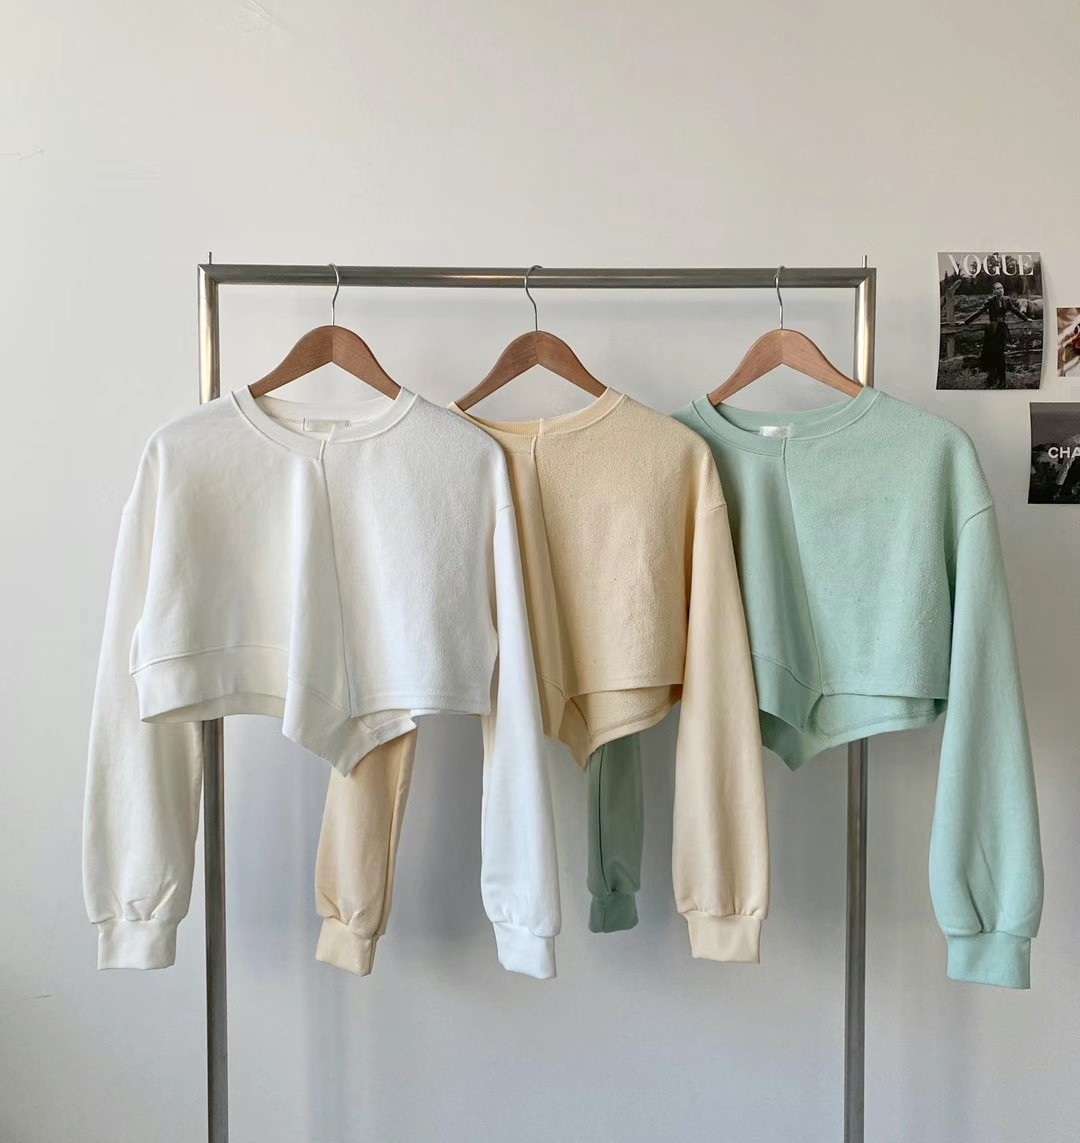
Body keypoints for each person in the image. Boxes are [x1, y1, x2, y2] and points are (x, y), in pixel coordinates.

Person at [962, 280, 1037, 389]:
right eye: (997, 288)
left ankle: (1001, 381)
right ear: (994, 291)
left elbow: (1015, 311)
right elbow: (979, 311)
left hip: (1002, 329)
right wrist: (966, 322)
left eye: (1001, 288)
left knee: (1001, 354)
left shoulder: (1007, 300)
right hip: (992, 330)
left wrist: (1026, 319)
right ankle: (992, 380)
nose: (1000, 290)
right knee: (994, 354)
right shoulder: (990, 301)